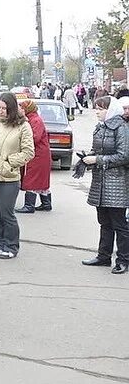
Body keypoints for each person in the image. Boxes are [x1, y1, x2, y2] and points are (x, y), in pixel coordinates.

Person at [0, 92, 35, 260]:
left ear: (11, 109)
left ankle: (11, 244)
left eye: (4, 108)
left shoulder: (22, 126)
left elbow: (28, 152)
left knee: (6, 212)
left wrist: (9, 161)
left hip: (9, 176)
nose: (1, 111)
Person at [80, 96, 129, 275]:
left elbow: (124, 155)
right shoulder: (101, 127)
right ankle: (104, 256)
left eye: (100, 108)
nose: (97, 112)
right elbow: (99, 150)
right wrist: (86, 159)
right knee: (104, 221)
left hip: (117, 182)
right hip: (101, 181)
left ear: (110, 110)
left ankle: (123, 259)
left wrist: (97, 159)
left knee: (120, 224)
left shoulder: (121, 127)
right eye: (96, 108)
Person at [16, 100, 52, 214]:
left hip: (38, 154)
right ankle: (46, 203)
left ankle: (29, 205)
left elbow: (34, 138)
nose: (19, 110)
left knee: (31, 177)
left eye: (21, 108)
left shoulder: (35, 120)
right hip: (40, 154)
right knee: (41, 179)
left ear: (26, 109)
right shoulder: (33, 119)